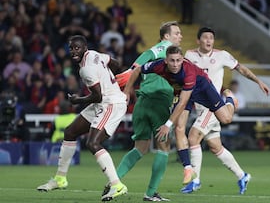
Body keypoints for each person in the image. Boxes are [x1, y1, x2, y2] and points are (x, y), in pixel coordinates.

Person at [123, 45, 240, 185]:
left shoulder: (188, 72)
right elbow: (137, 70)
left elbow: (182, 103)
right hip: (183, 91)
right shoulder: (158, 65)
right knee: (179, 127)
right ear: (165, 60)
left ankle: (229, 99)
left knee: (226, 118)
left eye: (178, 60)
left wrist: (167, 125)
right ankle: (188, 168)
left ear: (182, 59)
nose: (175, 64)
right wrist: (127, 90)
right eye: (172, 60)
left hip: (202, 87)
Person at [36, 35, 128, 202]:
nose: (73, 51)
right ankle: (60, 179)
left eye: (77, 48)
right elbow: (114, 62)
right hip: (104, 101)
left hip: (111, 104)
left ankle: (117, 185)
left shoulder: (86, 69)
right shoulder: (94, 54)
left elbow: (98, 96)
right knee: (70, 132)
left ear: (85, 47)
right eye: (71, 48)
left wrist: (78, 100)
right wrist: (112, 79)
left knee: (93, 143)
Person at [180, 27, 270, 194]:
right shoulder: (189, 56)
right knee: (215, 147)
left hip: (212, 105)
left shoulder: (221, 55)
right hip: (199, 107)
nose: (208, 40)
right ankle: (242, 175)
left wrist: (258, 81)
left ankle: (195, 180)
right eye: (205, 37)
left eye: (211, 38)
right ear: (198, 40)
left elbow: (241, 68)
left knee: (193, 137)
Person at [104, 21, 182, 201]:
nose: (180, 36)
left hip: (142, 103)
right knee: (164, 147)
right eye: (177, 33)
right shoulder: (165, 47)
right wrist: (131, 68)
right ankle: (151, 193)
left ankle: (114, 182)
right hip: (159, 103)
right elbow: (146, 55)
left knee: (141, 147)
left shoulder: (166, 58)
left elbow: (141, 68)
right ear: (166, 36)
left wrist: (127, 90)